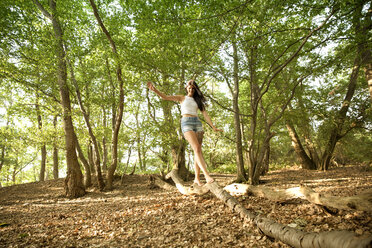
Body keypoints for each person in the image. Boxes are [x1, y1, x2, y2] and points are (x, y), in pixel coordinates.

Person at [147, 79, 222, 186]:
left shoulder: (198, 101)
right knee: (196, 148)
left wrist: (213, 127)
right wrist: (155, 90)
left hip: (197, 123)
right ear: (186, 88)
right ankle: (206, 175)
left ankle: (197, 179)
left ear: (195, 89)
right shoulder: (182, 98)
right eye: (189, 87)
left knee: (198, 150)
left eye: (193, 88)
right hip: (186, 122)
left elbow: (205, 114)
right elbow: (165, 97)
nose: (191, 89)